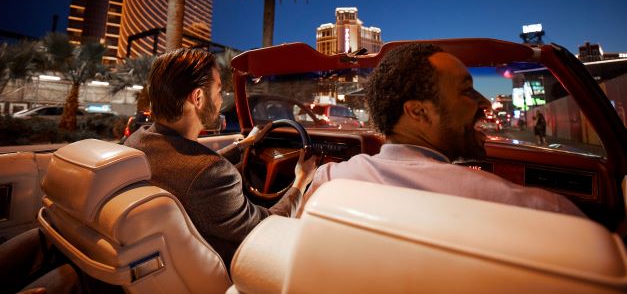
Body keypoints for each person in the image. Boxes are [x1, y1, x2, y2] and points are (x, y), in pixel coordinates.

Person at [299, 43, 584, 218]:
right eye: (466, 90)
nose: (484, 102)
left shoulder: (329, 181)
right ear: (418, 111)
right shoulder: (540, 211)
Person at [125, 48, 317, 268]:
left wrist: (241, 146)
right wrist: (300, 183)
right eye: (218, 91)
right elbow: (267, 228)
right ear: (198, 97)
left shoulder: (138, 141)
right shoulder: (210, 173)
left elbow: (188, 164)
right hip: (230, 270)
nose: (220, 100)